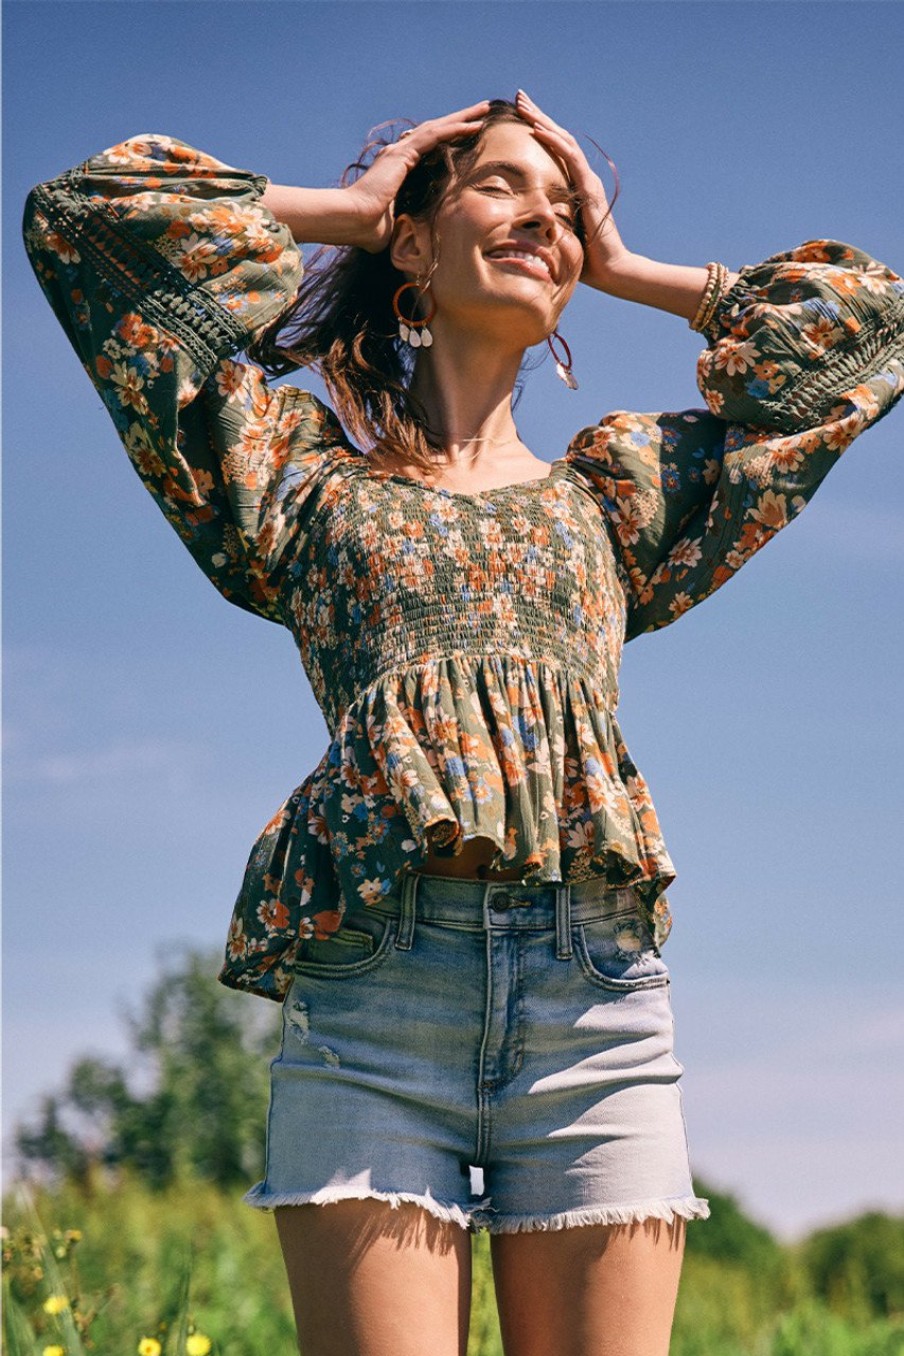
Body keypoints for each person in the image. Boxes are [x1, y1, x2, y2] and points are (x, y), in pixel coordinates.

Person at [23, 92, 903, 1356]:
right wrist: (347, 212)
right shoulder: (297, 480)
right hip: (374, 998)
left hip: (592, 1004)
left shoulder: (621, 496)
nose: (539, 212)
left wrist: (629, 266)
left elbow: (868, 331)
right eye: (499, 186)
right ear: (418, 249)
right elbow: (86, 220)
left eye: (561, 201)